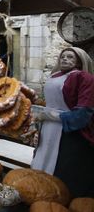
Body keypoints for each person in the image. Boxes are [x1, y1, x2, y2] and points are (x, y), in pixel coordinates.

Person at [31, 47, 94, 198]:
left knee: (64, 169)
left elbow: (83, 113)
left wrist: (49, 116)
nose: (65, 59)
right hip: (48, 129)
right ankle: (38, 193)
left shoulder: (84, 78)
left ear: (79, 60)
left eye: (70, 57)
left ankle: (62, 199)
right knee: (43, 160)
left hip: (69, 132)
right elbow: (50, 103)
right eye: (63, 56)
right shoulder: (54, 76)